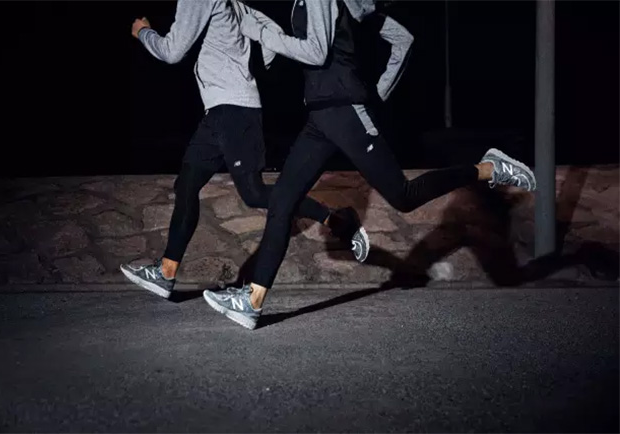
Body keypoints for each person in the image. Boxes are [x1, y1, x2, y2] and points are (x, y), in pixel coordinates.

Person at [202, 0, 537, 330]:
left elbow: (319, 52)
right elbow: (393, 40)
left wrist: (262, 34)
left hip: (345, 113)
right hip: (319, 118)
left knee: (404, 196)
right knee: (282, 201)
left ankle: (488, 168)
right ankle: (253, 300)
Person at [121, 0, 369, 299]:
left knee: (253, 193)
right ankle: (166, 272)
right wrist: (246, 66)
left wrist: (143, 32)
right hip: (218, 111)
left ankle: (338, 221)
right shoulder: (237, 5)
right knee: (186, 184)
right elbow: (271, 37)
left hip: (234, 111)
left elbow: (172, 51)